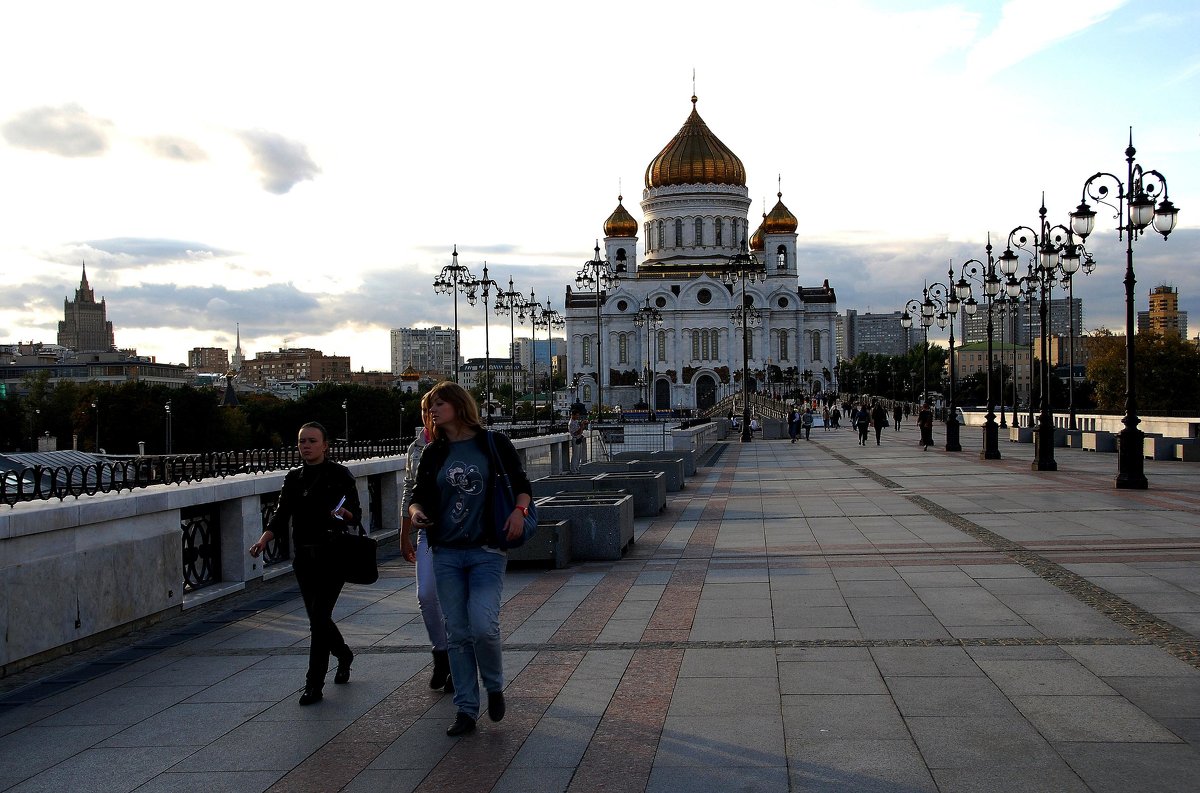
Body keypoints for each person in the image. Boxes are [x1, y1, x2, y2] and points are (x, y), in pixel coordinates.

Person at [408, 382, 532, 738]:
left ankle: (493, 685)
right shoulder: (433, 453)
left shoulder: (492, 444)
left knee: (482, 625)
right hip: (445, 553)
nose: (433, 411)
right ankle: (465, 708)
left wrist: (519, 512)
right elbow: (417, 496)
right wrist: (416, 514)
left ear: (459, 406)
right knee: (458, 633)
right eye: (430, 406)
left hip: (486, 551)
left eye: (439, 404)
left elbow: (523, 485)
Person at [249, 422, 360, 706]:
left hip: (333, 555)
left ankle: (314, 685)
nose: (306, 446)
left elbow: (356, 516)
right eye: (301, 441)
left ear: (325, 445)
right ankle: (344, 654)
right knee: (317, 619)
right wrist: (264, 540)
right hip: (304, 558)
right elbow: (281, 514)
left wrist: (345, 513)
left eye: (312, 441)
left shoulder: (340, 475)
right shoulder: (293, 478)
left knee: (319, 619)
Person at [401, 400, 451, 694]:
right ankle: (440, 653)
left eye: (434, 409)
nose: (429, 415)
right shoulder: (417, 447)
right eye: (424, 411)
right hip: (427, 531)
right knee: (426, 595)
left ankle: (457, 662)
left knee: (455, 600)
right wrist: (404, 532)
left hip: (460, 531)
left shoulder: (462, 443)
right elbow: (410, 489)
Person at [568, 408, 588, 473]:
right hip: (575, 439)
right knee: (575, 455)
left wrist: (582, 425)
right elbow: (576, 432)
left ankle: (577, 469)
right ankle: (573, 469)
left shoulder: (575, 422)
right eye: (576, 415)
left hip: (578, 439)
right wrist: (582, 425)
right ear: (572, 415)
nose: (578, 417)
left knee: (579, 455)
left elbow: (580, 431)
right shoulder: (571, 423)